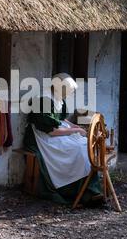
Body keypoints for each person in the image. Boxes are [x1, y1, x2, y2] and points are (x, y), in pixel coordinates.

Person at [23, 73, 103, 206]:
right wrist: (76, 130)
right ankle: (72, 190)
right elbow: (51, 131)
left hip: (56, 130)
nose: (70, 94)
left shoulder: (58, 97)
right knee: (77, 149)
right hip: (44, 137)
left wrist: (74, 126)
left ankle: (89, 190)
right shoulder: (44, 100)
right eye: (68, 91)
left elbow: (60, 119)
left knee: (84, 145)